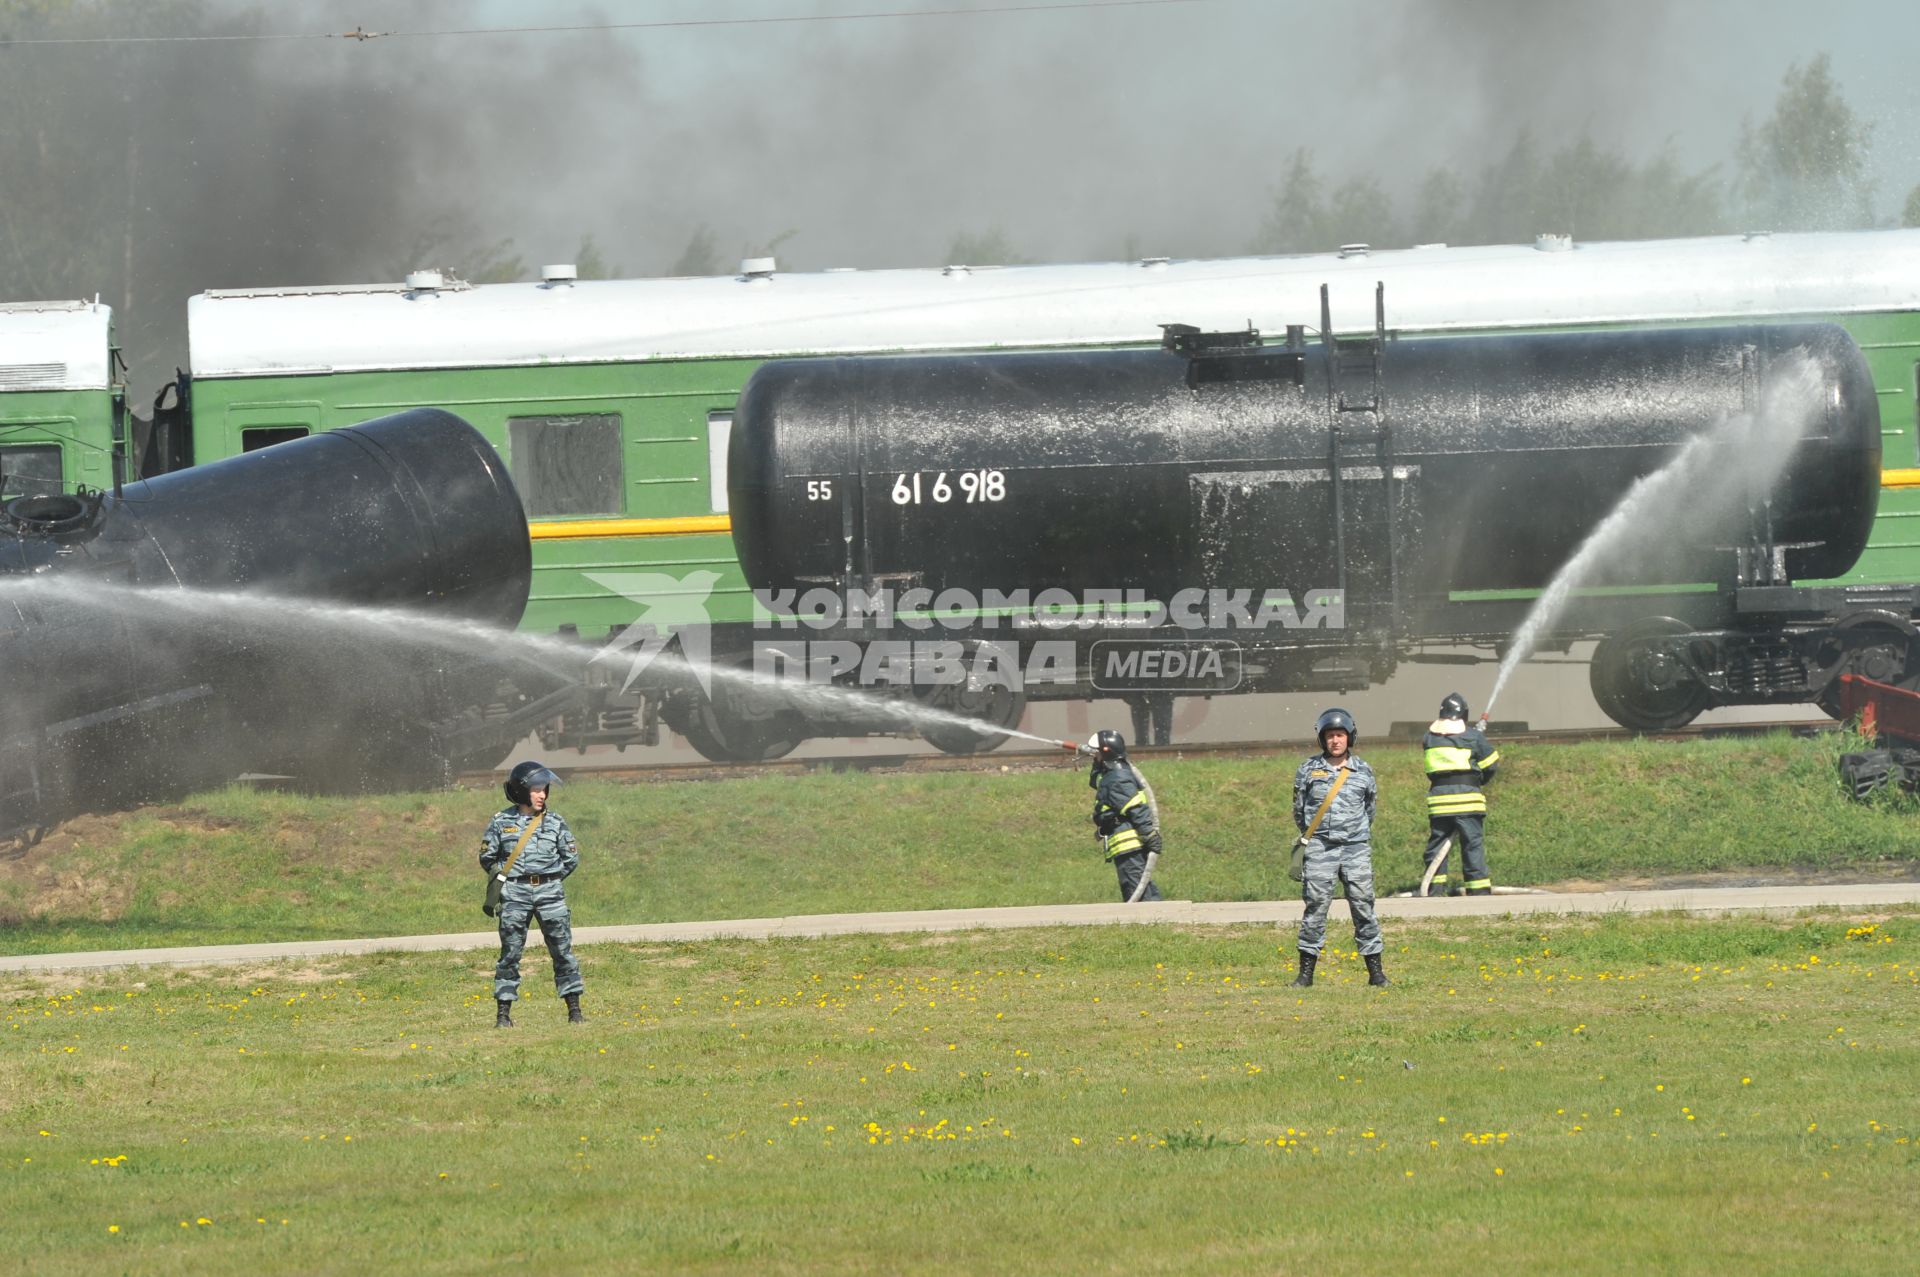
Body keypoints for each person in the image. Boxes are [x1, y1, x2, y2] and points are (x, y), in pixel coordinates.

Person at [480, 760, 584, 1027]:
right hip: (515, 895)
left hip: (550, 893)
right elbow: (487, 856)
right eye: (537, 789)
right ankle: (503, 1014)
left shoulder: (556, 822)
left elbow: (571, 859)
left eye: (544, 789)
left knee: (562, 951)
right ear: (521, 791)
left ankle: (574, 1011)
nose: (543, 795)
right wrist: (508, 879)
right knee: (511, 954)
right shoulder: (501, 822)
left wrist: (549, 879)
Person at [1290, 707, 1386, 987]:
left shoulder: (1363, 770)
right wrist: (1316, 836)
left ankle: (1376, 973)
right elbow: (1299, 810)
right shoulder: (1308, 770)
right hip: (1320, 848)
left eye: (1340, 735)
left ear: (1349, 738)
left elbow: (1370, 810)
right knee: (1316, 907)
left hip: (1356, 849)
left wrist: (1354, 834)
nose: (1335, 741)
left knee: (1363, 906)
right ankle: (1305, 974)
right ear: (1322, 739)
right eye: (1330, 736)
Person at [1420, 692, 1500, 897]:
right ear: (1464, 715)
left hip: (1439, 804)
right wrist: (1478, 779)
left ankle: (1433, 889)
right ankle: (1478, 891)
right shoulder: (1473, 736)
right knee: (1471, 846)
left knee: (1437, 846)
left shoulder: (1429, 738)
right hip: (1468, 802)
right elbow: (1491, 765)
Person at [1087, 729, 1163, 903]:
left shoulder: (1118, 779)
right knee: (1141, 888)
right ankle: (1158, 919)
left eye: (1097, 752)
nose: (1094, 754)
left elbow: (1135, 808)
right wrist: (1097, 762)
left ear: (1106, 753)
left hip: (1129, 844)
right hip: (1126, 846)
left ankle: (1152, 922)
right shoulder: (1111, 776)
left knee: (1138, 892)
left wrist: (1149, 835)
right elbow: (1097, 781)